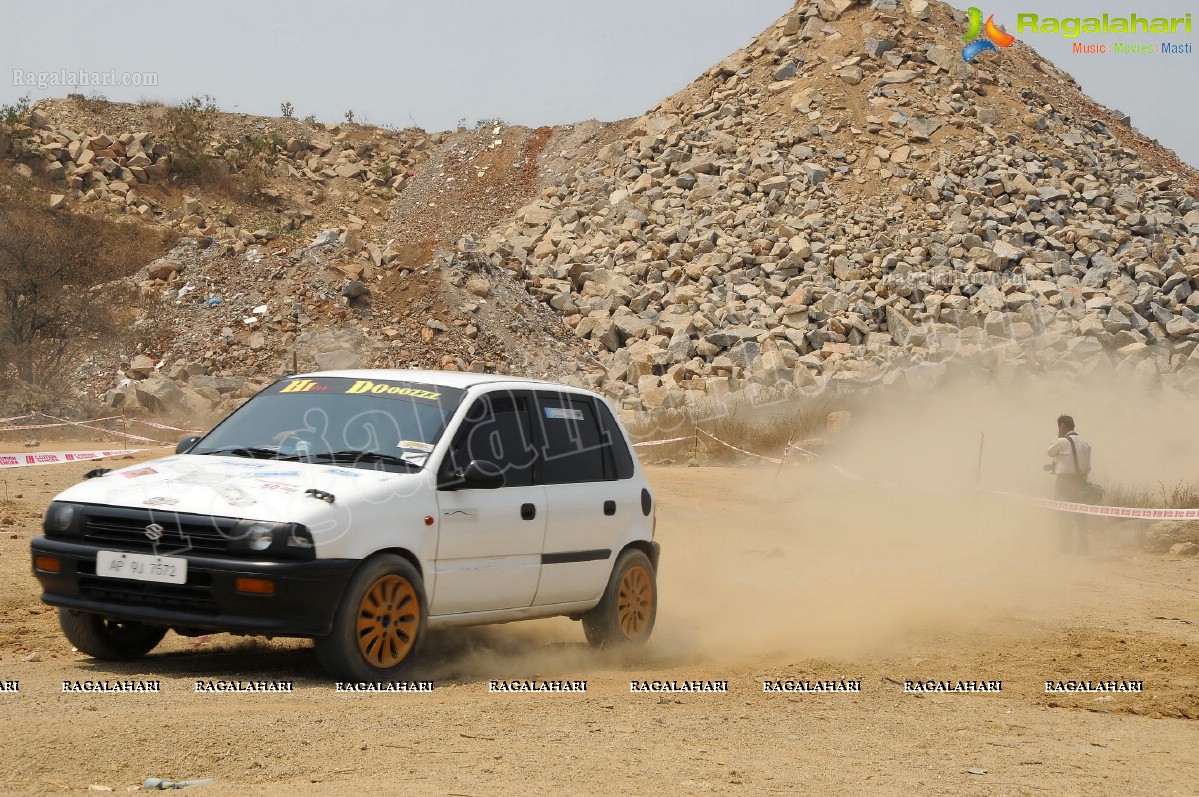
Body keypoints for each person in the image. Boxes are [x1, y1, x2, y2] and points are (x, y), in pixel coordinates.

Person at [1046, 414, 1092, 554]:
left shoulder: (1062, 441)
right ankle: (1084, 548)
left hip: (1065, 483)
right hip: (1081, 482)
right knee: (1080, 516)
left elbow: (1049, 452)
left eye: (1059, 426)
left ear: (1062, 426)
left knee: (1064, 515)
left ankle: (1065, 549)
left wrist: (1058, 436)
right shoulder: (1086, 442)